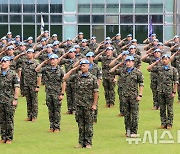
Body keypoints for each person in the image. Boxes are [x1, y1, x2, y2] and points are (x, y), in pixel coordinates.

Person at [63, 59, 98, 149]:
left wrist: (94, 104)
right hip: (78, 104)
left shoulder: (93, 78)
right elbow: (65, 78)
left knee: (89, 124)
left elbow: (96, 92)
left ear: (88, 66)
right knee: (80, 125)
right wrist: (73, 69)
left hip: (88, 105)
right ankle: (81, 142)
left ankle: (88, 143)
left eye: (84, 65)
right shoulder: (77, 76)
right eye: (81, 65)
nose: (82, 67)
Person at [111, 56, 144, 137]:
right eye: (127, 61)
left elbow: (141, 84)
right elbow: (111, 71)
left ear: (133, 62)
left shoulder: (137, 72)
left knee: (134, 114)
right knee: (127, 115)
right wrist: (119, 64)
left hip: (134, 96)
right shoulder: (122, 71)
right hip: (124, 96)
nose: (128, 63)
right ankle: (128, 131)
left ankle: (134, 131)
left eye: (130, 61)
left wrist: (140, 95)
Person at [35, 54, 65, 132]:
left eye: (53, 59)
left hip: (57, 93)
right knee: (50, 110)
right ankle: (52, 126)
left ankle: (57, 127)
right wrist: (44, 62)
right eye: (51, 59)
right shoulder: (46, 69)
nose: (52, 61)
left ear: (57, 60)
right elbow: (37, 70)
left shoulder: (60, 70)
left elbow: (64, 82)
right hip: (48, 93)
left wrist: (62, 93)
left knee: (57, 110)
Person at [147, 54, 179, 129]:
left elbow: (176, 82)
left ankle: (169, 124)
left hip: (169, 92)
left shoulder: (173, 70)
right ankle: (163, 123)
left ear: (169, 60)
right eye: (163, 59)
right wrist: (156, 62)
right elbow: (148, 69)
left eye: (166, 59)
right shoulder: (159, 68)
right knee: (162, 108)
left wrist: (174, 92)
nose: (164, 60)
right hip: (160, 91)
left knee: (170, 108)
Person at [0, 56, 20, 144]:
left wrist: (15, 99)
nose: (3, 63)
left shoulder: (13, 74)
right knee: (2, 119)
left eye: (5, 62)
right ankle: (3, 137)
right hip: (1, 100)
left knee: (9, 119)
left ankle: (9, 137)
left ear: (9, 63)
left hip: (9, 99)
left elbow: (17, 87)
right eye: (2, 62)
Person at [22, 48, 41, 122]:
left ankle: (34, 116)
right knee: (28, 100)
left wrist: (37, 86)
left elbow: (39, 76)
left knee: (34, 101)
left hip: (33, 85)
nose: (29, 54)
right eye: (28, 53)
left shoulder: (36, 63)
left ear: (33, 54)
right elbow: (23, 74)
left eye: (30, 53)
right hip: (26, 84)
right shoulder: (24, 63)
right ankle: (29, 115)